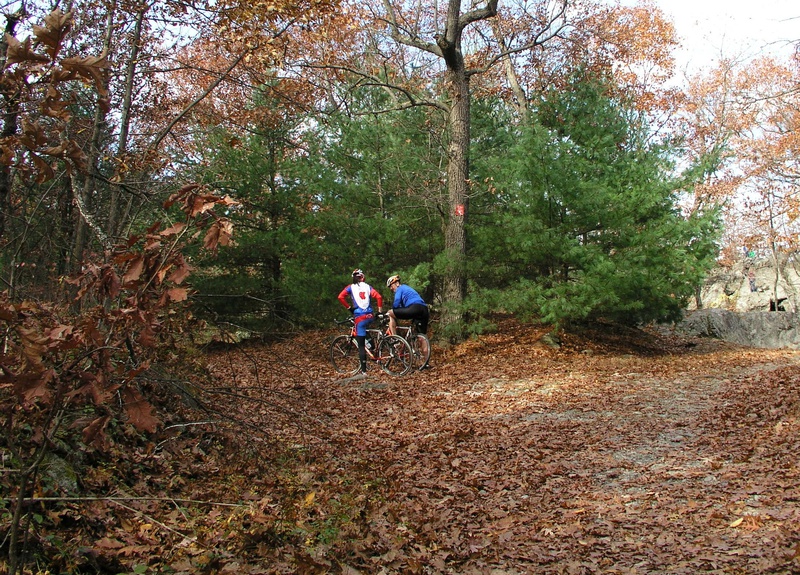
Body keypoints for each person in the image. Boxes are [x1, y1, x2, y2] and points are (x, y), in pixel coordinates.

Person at [338, 269, 383, 376]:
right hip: (370, 315)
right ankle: (372, 346)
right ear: (363, 277)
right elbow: (379, 297)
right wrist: (380, 312)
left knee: (361, 345)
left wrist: (349, 308)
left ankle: (363, 371)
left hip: (359, 317)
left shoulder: (350, 287)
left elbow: (340, 297)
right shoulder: (368, 286)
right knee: (366, 329)